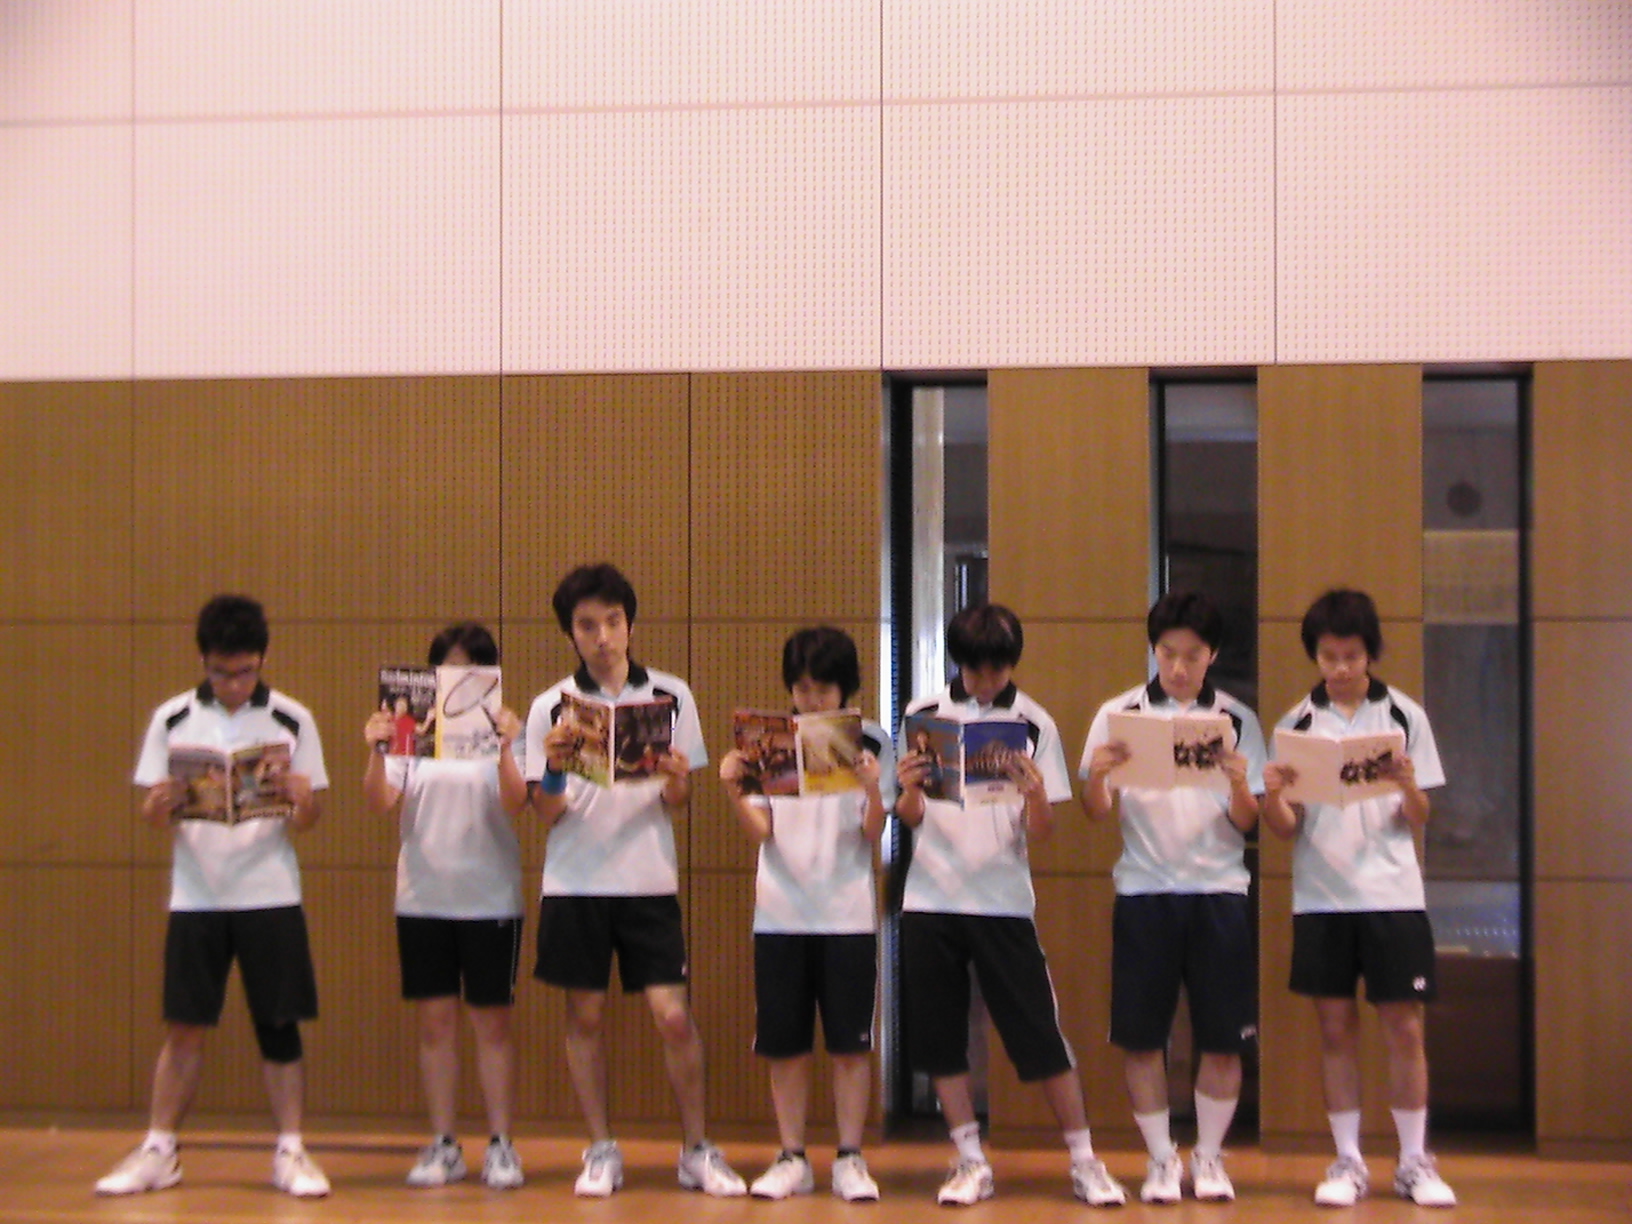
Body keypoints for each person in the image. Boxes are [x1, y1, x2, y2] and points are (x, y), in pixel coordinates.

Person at [521, 563, 745, 1198]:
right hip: (575, 883)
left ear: (630, 624)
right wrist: (555, 768)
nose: (602, 637)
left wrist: (675, 779)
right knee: (585, 1016)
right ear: (571, 633)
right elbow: (546, 811)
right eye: (587, 626)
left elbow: (680, 800)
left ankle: (696, 1150)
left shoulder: (671, 696)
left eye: (613, 622)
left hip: (649, 881)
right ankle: (600, 1149)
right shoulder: (549, 707)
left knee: (673, 1016)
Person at [96, 595, 331, 1198]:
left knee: (279, 1024)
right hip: (196, 894)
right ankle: (159, 1149)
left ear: (262, 659)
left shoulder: (292, 719)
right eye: (222, 672)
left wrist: (302, 800)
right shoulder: (172, 718)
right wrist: (158, 805)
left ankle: (291, 1151)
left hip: (270, 893)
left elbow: (310, 819)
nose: (233, 684)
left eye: (245, 671)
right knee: (185, 1025)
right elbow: (153, 813)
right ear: (203, 661)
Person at [895, 603, 1127, 1208]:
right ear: (958, 664)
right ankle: (969, 1157)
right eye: (975, 672)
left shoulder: (1033, 723)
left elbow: (1042, 830)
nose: (985, 683)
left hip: (1002, 902)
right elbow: (911, 817)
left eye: (996, 672)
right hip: (930, 900)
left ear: (1012, 665)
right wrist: (908, 789)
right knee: (941, 1037)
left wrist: (1036, 794)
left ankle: (1085, 1159)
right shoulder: (923, 714)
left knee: (1039, 1033)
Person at [1260, 589, 1457, 1209]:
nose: (1341, 668)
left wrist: (1408, 785)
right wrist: (1272, 795)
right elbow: (1285, 828)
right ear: (1315, 656)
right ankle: (1347, 1160)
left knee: (1404, 1027)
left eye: (1351, 656)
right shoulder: (1296, 724)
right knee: (1335, 1029)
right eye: (1328, 657)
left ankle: (1413, 1161)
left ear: (1370, 652)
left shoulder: (1403, 716)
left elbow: (1419, 815)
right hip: (1321, 898)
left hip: (1393, 894)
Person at [1078, 591, 1266, 1204]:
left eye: (1192, 655)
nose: (1179, 667)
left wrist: (1241, 784)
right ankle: (1161, 1159)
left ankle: (1208, 1156)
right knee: (1141, 1036)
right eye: (1167, 653)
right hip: (1144, 891)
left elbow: (1248, 820)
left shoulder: (1237, 719)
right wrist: (1099, 775)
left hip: (1219, 892)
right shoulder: (1119, 713)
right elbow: (1096, 810)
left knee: (1223, 1037)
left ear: (1213, 655)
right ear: (1154, 651)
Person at [718, 627, 891, 1202]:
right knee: (785, 1044)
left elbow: (873, 833)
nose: (812, 699)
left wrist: (874, 790)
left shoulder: (872, 741)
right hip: (780, 912)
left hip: (847, 914)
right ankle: (792, 1155)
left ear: (846, 688)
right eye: (802, 688)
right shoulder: (766, 741)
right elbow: (762, 830)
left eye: (823, 689)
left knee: (850, 1045)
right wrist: (734, 791)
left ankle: (850, 1156)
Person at [362, 622, 528, 1189]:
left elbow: (517, 802)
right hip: (423, 898)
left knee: (493, 1026)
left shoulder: (506, 728)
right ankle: (444, 1143)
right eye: (449, 667)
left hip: (490, 898)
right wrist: (378, 750)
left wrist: (506, 747)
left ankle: (501, 1144)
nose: (460, 677)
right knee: (435, 1025)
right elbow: (381, 800)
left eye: (472, 668)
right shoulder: (410, 729)